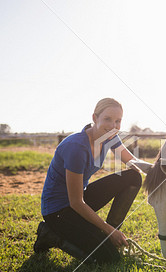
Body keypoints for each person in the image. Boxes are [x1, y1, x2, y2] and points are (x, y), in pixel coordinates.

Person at [34, 98, 152, 263]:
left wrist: (159, 170)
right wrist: (108, 230)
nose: (113, 126)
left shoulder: (110, 137)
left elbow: (132, 162)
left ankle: (108, 234)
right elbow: (76, 202)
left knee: (132, 177)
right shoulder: (76, 147)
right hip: (59, 211)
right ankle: (50, 234)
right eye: (107, 119)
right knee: (109, 260)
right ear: (95, 118)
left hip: (79, 200)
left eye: (118, 121)